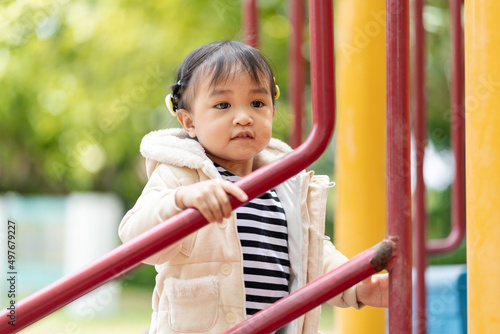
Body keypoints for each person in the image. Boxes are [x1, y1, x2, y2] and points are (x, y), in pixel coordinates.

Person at [118, 40, 388, 334]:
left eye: (257, 103)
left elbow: (312, 255)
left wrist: (360, 286)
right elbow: (136, 240)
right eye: (223, 105)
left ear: (272, 112)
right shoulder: (181, 176)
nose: (244, 116)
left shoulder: (283, 185)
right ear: (189, 122)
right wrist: (180, 201)